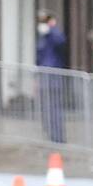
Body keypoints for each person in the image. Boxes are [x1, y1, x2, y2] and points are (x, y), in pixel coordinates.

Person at [35, 10, 67, 144]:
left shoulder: (54, 35)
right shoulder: (43, 39)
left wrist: (52, 28)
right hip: (44, 75)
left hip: (54, 76)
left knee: (55, 107)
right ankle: (50, 134)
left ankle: (58, 136)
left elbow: (61, 42)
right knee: (46, 108)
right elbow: (39, 57)